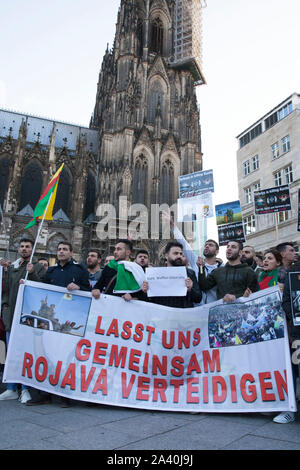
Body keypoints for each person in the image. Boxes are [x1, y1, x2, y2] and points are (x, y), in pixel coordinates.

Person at [26, 241, 90, 407]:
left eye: (64, 250)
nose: (61, 252)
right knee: (46, 356)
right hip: (51, 322)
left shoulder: (79, 269)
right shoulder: (52, 271)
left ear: (71, 252)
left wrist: (79, 286)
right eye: (59, 249)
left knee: (65, 358)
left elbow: (89, 291)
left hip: (68, 321)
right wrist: (28, 281)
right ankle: (45, 393)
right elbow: (41, 290)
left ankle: (65, 395)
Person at [0, 238, 45, 404]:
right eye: (22, 246)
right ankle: (11, 388)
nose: (24, 249)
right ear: (18, 249)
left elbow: (43, 287)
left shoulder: (38, 267)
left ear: (33, 249)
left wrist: (32, 273)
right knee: (11, 353)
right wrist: (5, 309)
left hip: (27, 317)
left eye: (27, 247)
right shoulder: (13, 267)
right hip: (11, 315)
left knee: (25, 353)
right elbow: (5, 290)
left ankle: (25, 389)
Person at [272, 259, 300, 424]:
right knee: (295, 369)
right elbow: (287, 301)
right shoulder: (294, 272)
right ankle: (290, 409)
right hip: (298, 332)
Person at [141, 241, 202, 308]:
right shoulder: (156, 274)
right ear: (166, 256)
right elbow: (149, 300)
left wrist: (191, 289)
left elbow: (198, 298)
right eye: (175, 253)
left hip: (183, 314)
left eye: (181, 254)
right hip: (163, 314)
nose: (179, 256)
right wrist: (145, 291)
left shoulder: (190, 273)